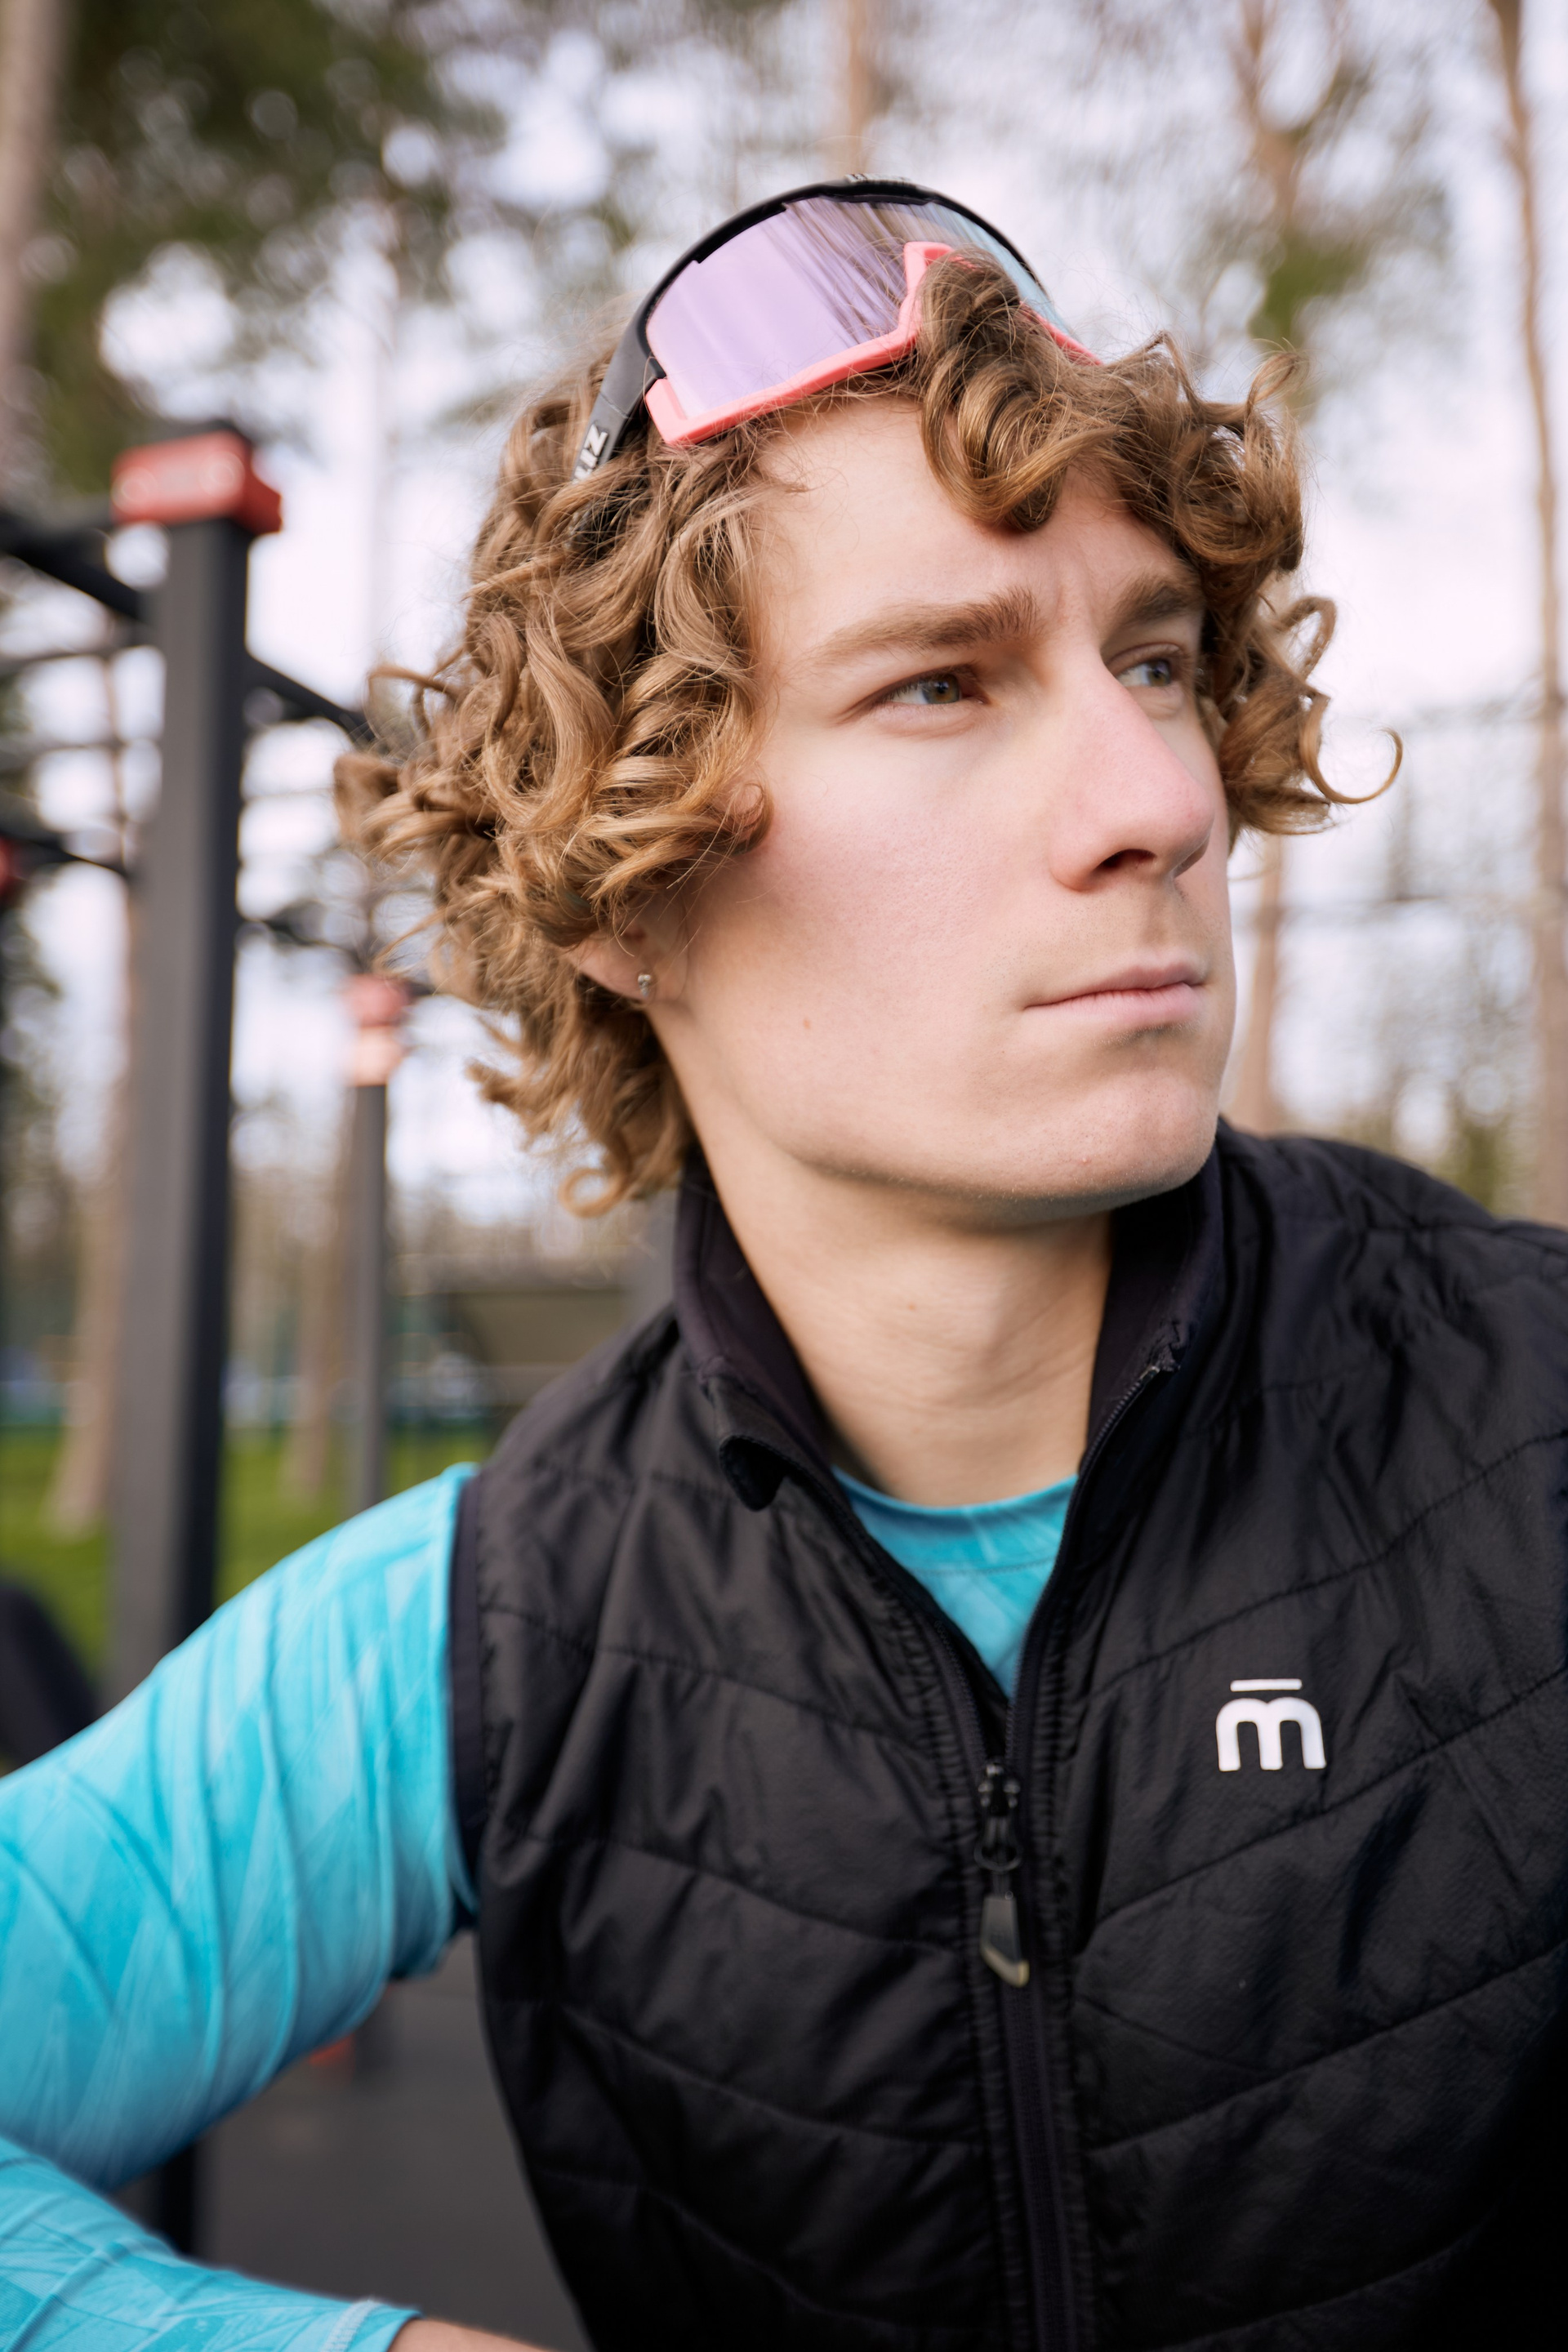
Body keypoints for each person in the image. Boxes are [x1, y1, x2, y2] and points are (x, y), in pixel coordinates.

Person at [1, 177, 1562, 2352]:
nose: (1160, 795)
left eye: (1154, 660)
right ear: (623, 886)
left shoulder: (1530, 1433)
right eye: (941, 683)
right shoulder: (479, 1632)